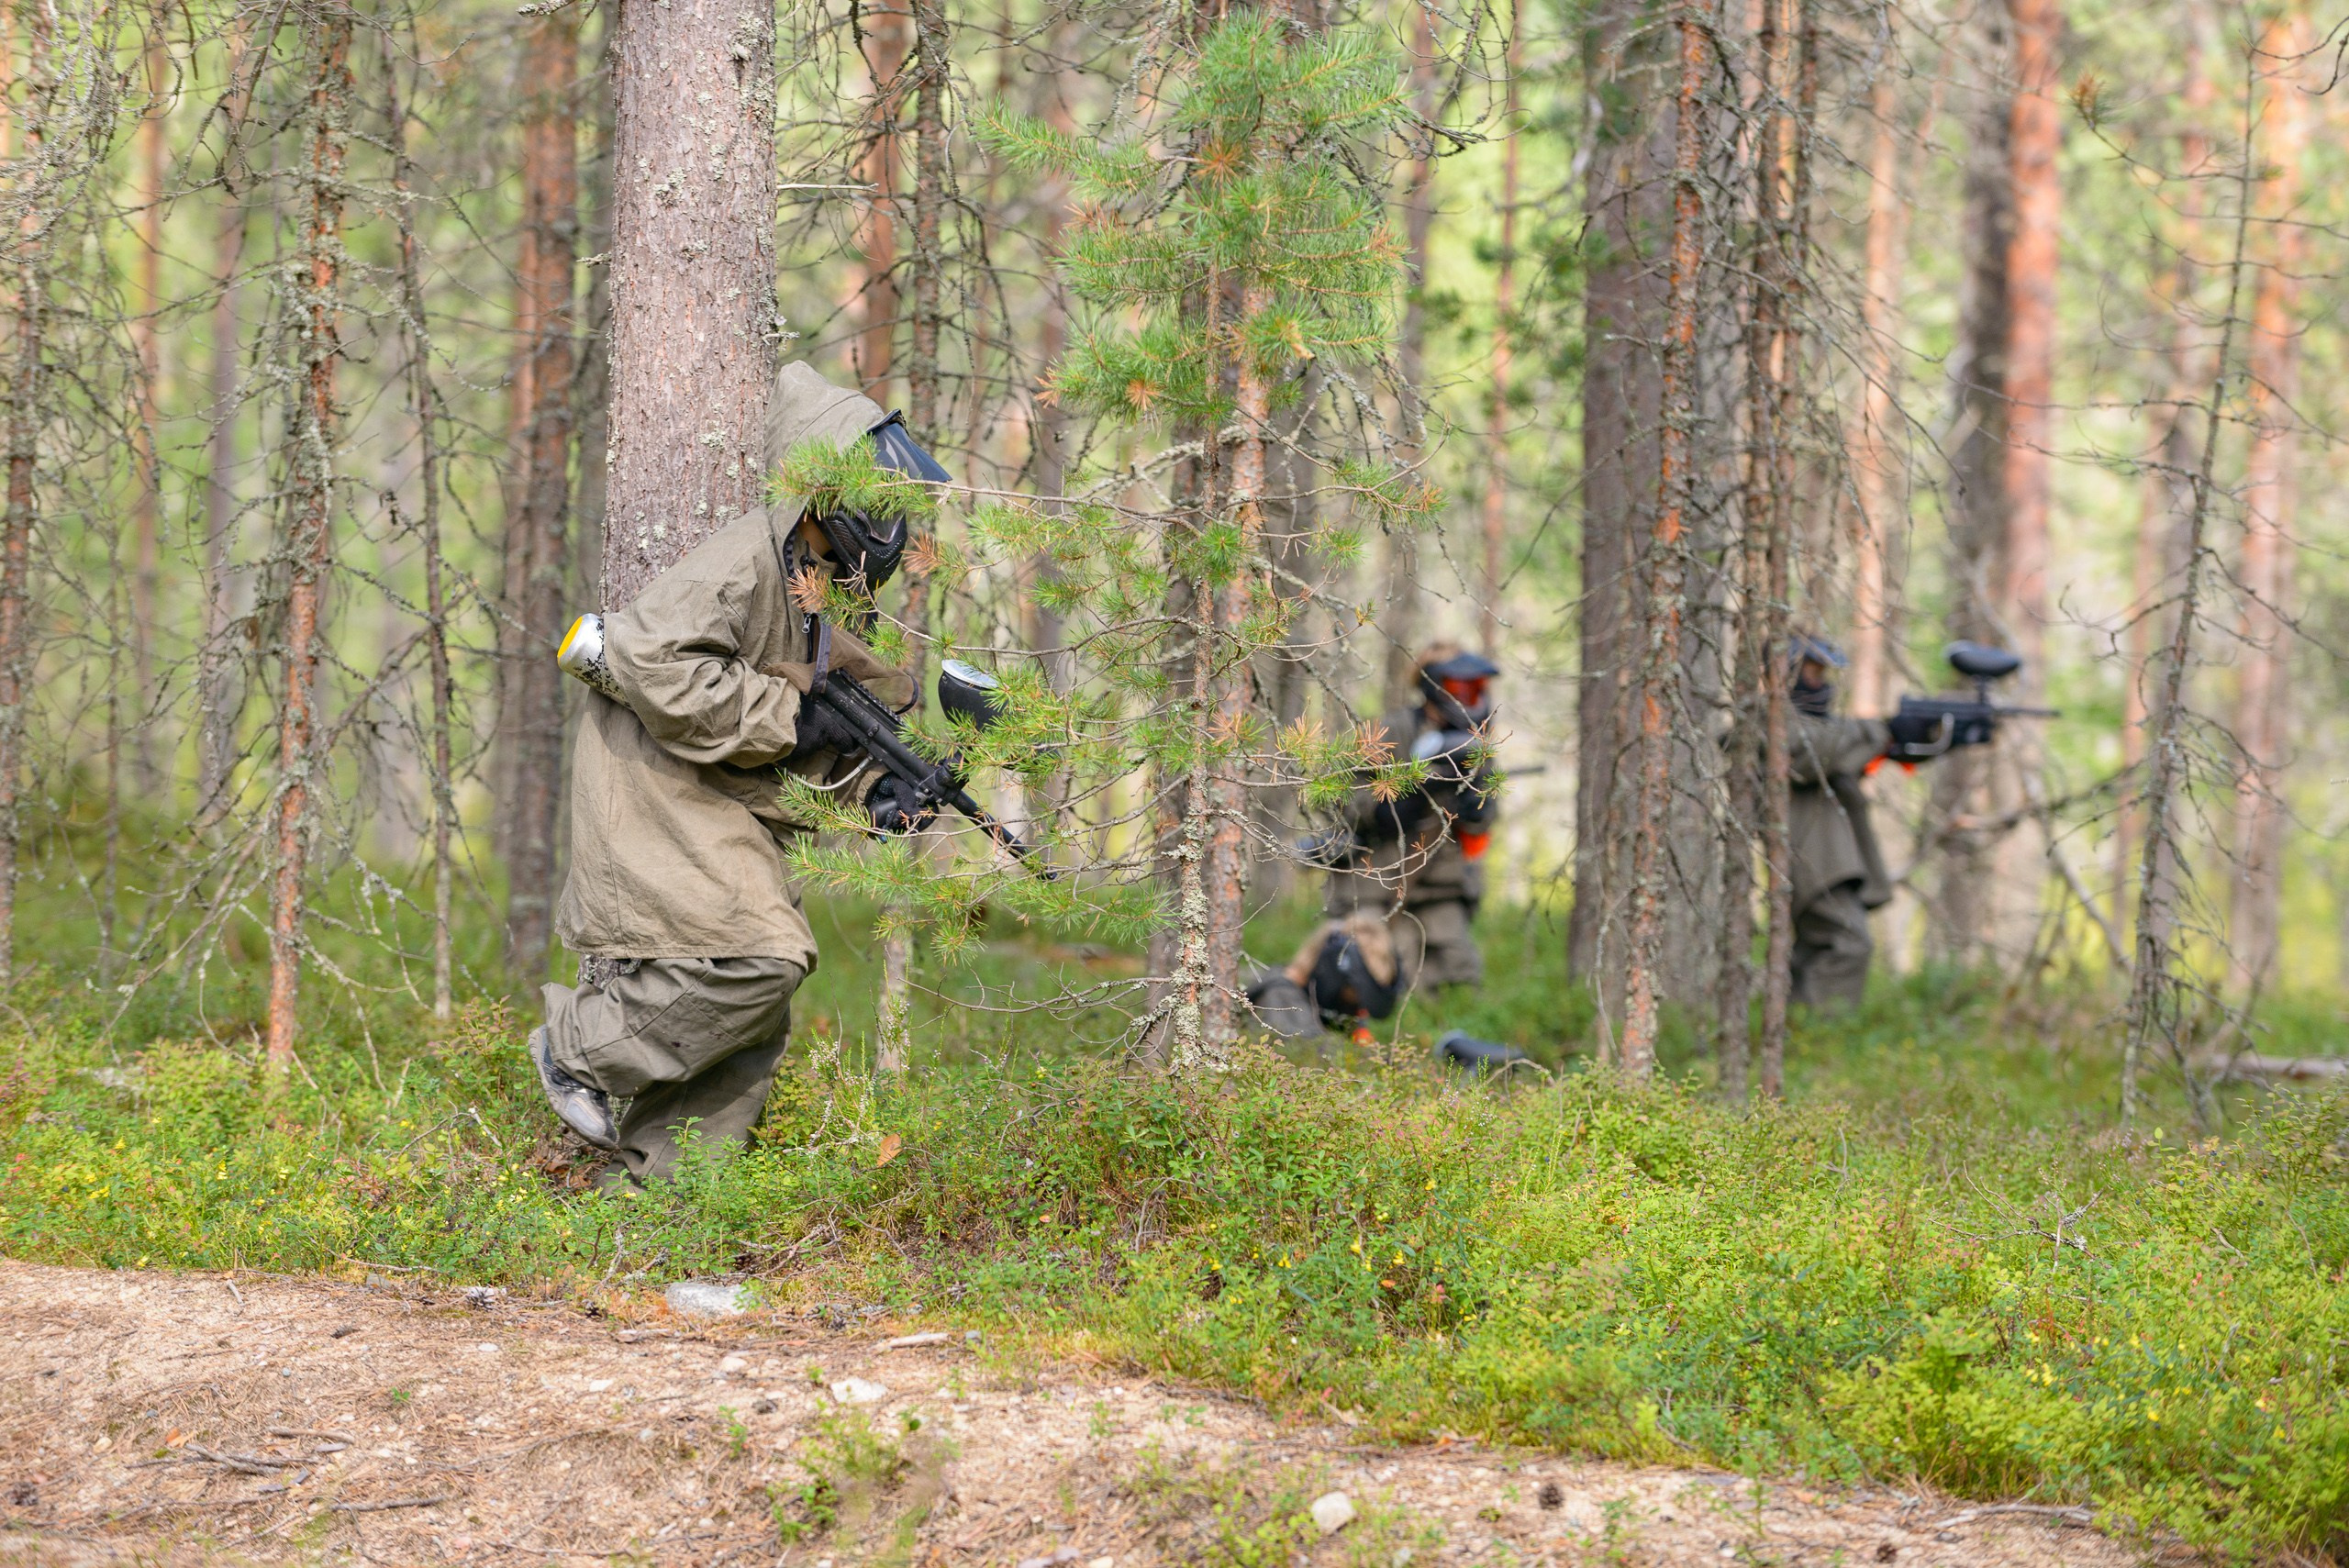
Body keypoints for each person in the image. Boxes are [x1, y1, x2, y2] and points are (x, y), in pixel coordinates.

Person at [528, 361, 951, 1186]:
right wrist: (786, 716)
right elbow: (655, 661)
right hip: (655, 786)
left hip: (721, 797)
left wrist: (877, 793)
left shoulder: (821, 586)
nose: (893, 525)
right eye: (880, 503)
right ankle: (577, 1046)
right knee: (759, 957)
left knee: (750, 1022)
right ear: (827, 489)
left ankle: (661, 1207)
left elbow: (826, 725)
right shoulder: (746, 559)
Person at [1311, 644, 1501, 997]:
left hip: (1439, 888)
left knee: (1455, 982)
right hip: (1373, 883)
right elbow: (1337, 797)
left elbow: (1481, 825)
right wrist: (1396, 799)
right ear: (1432, 687)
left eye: (1476, 688)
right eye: (1459, 688)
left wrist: (1474, 801)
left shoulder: (1474, 746)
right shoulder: (1388, 730)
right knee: (1366, 979)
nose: (1468, 698)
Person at [1778, 636, 1894, 1009]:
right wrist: (1881, 733)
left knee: (1818, 945)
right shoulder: (1770, 722)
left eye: (1822, 674)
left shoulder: (1823, 728)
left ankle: (1800, 1034)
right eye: (1812, 673)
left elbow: (1843, 751)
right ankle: (1824, 1037)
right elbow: (1813, 756)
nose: (1820, 684)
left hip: (1825, 858)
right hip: (1809, 857)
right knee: (1850, 941)